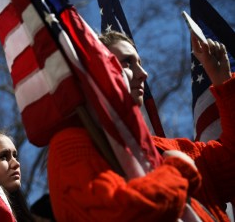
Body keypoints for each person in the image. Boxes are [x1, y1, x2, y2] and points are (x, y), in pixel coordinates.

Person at [47, 30, 235, 221]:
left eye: (140, 63)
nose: (143, 74)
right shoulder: (72, 143)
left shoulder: (172, 148)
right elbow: (116, 212)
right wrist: (179, 172)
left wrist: (223, 81)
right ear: (96, 71)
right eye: (127, 62)